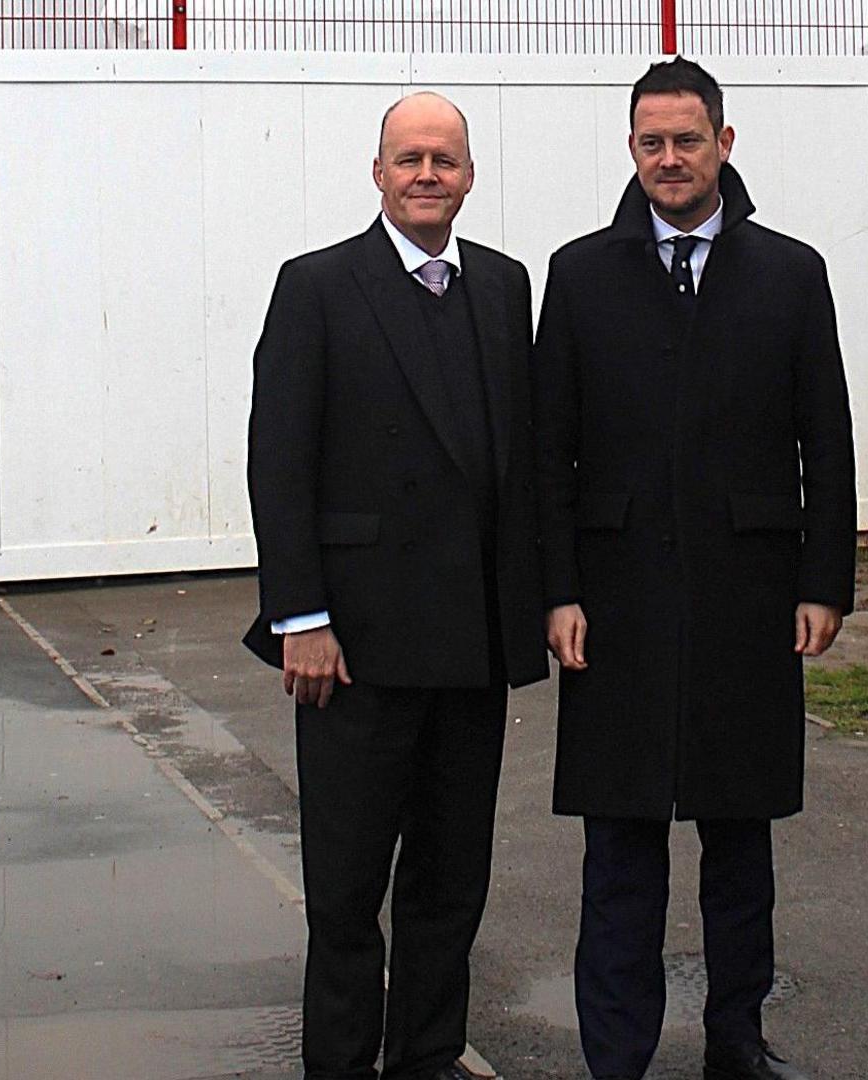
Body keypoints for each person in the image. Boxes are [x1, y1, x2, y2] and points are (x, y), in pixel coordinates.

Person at [532, 57, 856, 1080]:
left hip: (748, 597)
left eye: (688, 139)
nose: (670, 159)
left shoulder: (790, 273)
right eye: (651, 142)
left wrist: (823, 581)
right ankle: (615, 1053)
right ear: (632, 150)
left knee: (740, 841)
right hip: (615, 602)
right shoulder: (580, 274)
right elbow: (551, 450)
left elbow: (828, 440)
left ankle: (738, 1039)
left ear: (725, 141)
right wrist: (558, 588)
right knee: (619, 845)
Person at [242, 92, 547, 1080]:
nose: (427, 175)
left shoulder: (504, 289)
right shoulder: (318, 287)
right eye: (408, 158)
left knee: (450, 887)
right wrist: (301, 617)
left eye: (444, 160)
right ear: (377, 173)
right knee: (345, 893)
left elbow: (522, 462)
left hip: (470, 650)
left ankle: (426, 1057)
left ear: (468, 176)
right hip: (353, 651)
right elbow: (278, 465)